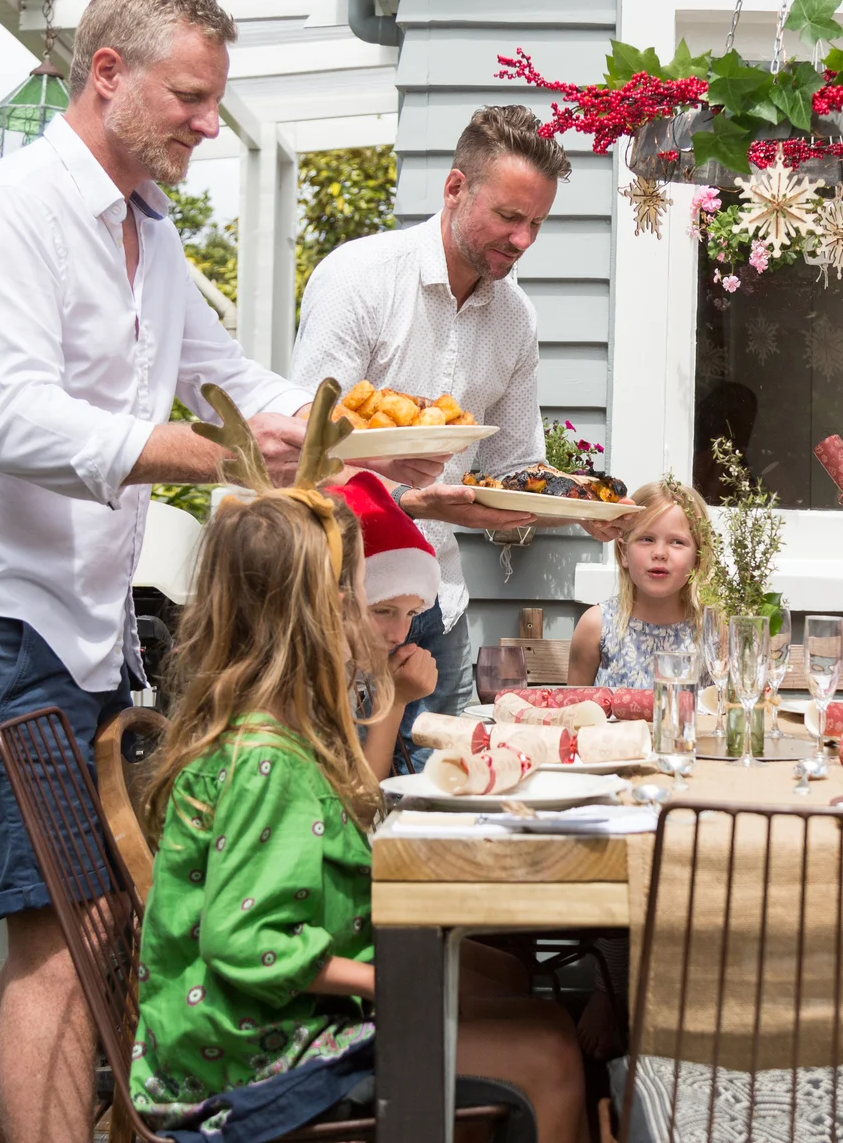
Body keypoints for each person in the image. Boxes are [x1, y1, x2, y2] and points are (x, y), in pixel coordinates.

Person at [0, 0, 443, 1143]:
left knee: (73, 930)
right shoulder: (13, 211)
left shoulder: (148, 231)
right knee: (73, 932)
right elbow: (18, 422)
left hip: (83, 622)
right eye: (189, 97)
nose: (205, 120)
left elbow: (239, 385)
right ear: (108, 76)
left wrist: (378, 452)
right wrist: (219, 456)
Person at [130, 479, 585, 1142]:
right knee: (549, 1057)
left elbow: (335, 824)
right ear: (318, 614)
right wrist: (386, 980)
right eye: (363, 599)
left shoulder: (274, 729)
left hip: (248, 1032)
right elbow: (243, 941)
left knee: (541, 1025)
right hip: (249, 1061)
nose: (394, 625)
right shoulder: (269, 761)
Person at [292, 105, 619, 768]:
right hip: (343, 605)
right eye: (507, 216)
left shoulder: (515, 320)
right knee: (346, 794)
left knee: (435, 800)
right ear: (454, 189)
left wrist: (580, 507)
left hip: (439, 606)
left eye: (536, 224)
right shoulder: (359, 279)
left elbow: (510, 465)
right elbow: (304, 447)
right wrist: (413, 502)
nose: (523, 238)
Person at [332, 472, 443, 776]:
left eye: (412, 614)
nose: (399, 635)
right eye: (382, 610)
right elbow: (359, 806)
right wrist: (394, 703)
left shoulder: (348, 672)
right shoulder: (309, 687)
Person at [567, 478, 712, 688]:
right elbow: (575, 712)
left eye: (677, 542)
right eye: (647, 539)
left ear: (698, 558)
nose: (660, 553)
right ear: (624, 552)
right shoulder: (597, 627)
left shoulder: (713, 630)